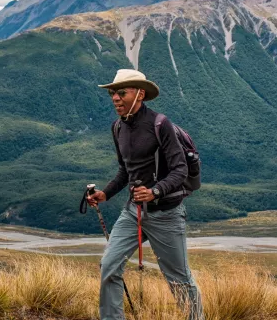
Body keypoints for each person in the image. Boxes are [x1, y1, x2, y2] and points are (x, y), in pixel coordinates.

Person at [87, 69, 204, 320]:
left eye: (121, 92)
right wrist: (105, 194)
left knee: (179, 279)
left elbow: (180, 169)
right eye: (112, 93)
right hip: (134, 212)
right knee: (109, 266)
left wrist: (155, 191)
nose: (115, 98)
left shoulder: (160, 124)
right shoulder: (118, 127)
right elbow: (125, 171)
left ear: (140, 94)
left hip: (167, 214)